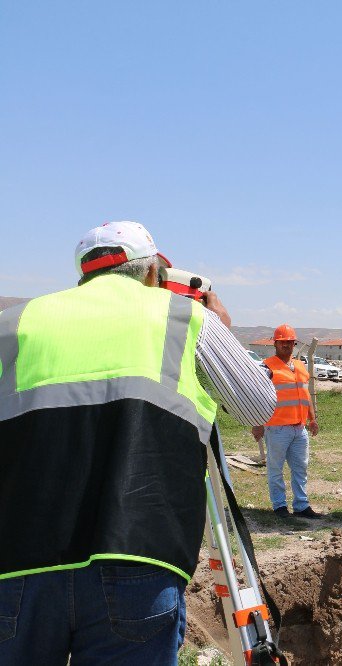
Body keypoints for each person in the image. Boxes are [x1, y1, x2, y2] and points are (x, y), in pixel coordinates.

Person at [0, 221, 276, 664]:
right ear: (151, 274)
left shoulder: (13, 324)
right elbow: (258, 405)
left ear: (84, 275)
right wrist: (221, 329)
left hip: (18, 563)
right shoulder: (185, 318)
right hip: (138, 558)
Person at [252, 324, 322, 519]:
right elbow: (257, 396)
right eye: (283, 342)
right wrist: (257, 423)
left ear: (294, 344)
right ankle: (280, 507)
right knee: (275, 469)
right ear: (275, 343)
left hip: (299, 429)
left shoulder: (299, 366)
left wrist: (312, 419)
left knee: (300, 468)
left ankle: (301, 506)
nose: (287, 346)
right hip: (276, 428)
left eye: (290, 342)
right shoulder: (266, 366)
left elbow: (305, 394)